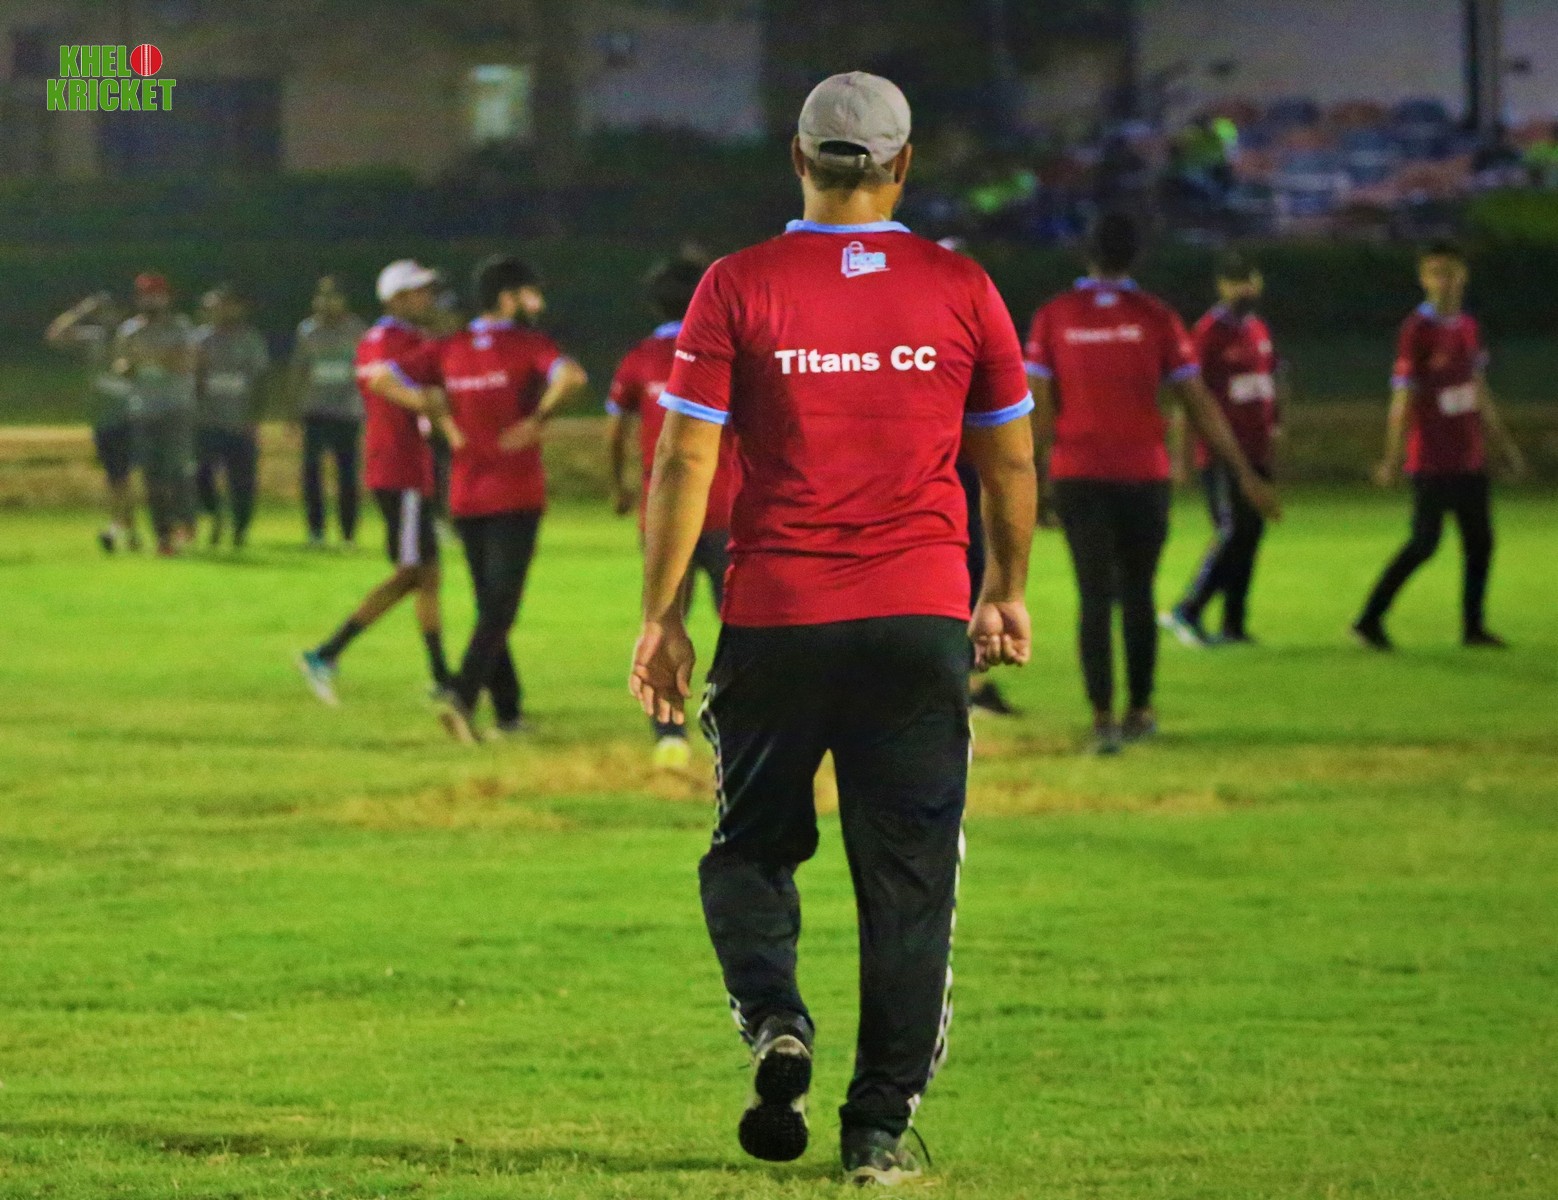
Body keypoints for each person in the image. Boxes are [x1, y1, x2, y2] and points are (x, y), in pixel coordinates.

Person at [629, 72, 1037, 1185]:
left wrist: (663, 615)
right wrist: (1004, 587)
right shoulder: (962, 287)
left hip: (777, 617)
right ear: (902, 165)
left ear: (798, 159)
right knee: (909, 881)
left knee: (752, 849)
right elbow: (1007, 459)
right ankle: (876, 1132)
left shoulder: (735, 285)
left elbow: (684, 458)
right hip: (916, 616)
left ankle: (777, 1023)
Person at [1025, 213, 1280, 754]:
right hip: (1143, 473)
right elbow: (1198, 402)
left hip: (1078, 473)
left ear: (1086, 254)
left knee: (1094, 596)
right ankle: (1139, 710)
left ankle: (1102, 719)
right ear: (1136, 257)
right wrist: (1244, 473)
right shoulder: (1156, 316)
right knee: (1138, 591)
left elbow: (1040, 410)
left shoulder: (1055, 316)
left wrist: (1034, 479)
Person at [377, 255, 587, 743]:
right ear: (509, 299)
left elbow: (381, 377)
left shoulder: (450, 346)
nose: (538, 303)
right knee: (500, 607)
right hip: (515, 492)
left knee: (490, 606)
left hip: (465, 495)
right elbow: (572, 378)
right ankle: (461, 695)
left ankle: (508, 714)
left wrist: (433, 410)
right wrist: (538, 420)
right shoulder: (529, 344)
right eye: (530, 293)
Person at [296, 260, 456, 705]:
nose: (428, 298)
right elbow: (385, 382)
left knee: (427, 576)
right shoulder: (382, 338)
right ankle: (325, 654)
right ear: (396, 298)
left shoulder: (413, 339)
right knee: (413, 574)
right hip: (398, 467)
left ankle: (442, 676)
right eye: (420, 291)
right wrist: (428, 402)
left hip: (412, 467)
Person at [1353, 241, 1526, 651]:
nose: (1443, 282)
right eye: (1435, 273)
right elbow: (1403, 398)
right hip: (1431, 459)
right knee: (1424, 543)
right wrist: (1393, 458)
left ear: (1463, 275)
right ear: (1423, 279)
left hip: (1469, 457)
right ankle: (1368, 619)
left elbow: (1477, 390)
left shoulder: (1467, 327)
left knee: (1480, 542)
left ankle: (1473, 628)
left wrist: (1502, 445)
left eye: (1449, 272)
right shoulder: (1417, 330)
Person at [607, 254, 741, 768]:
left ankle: (668, 733)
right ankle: (737, 728)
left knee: (664, 621)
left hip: (663, 517)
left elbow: (616, 428)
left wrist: (619, 485)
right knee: (741, 627)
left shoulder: (640, 357)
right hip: (727, 509)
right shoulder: (726, 351)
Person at [1162, 251, 1281, 646]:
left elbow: (1269, 383)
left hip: (1256, 450)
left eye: (1249, 280)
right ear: (1222, 286)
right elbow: (1188, 396)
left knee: (1251, 533)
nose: (1244, 288)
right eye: (1235, 282)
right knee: (1234, 530)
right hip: (1221, 453)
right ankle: (1188, 609)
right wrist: (1181, 457)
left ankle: (1234, 623)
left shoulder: (1258, 329)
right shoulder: (1208, 332)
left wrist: (1275, 430)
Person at [46, 291, 138, 552]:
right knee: (115, 476)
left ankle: (122, 528)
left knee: (126, 475)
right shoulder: (94, 337)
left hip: (132, 415)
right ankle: (126, 530)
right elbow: (55, 335)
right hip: (104, 417)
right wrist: (81, 310)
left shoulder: (134, 336)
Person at [113, 273, 198, 556]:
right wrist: (158, 357)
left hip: (176, 409)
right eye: (146, 295)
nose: (151, 300)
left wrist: (145, 358)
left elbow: (184, 362)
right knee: (152, 475)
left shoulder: (181, 327)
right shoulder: (129, 330)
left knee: (176, 469)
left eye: (156, 295)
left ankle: (186, 520)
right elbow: (122, 365)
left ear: (167, 298)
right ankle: (164, 536)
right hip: (143, 410)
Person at [292, 276, 368, 548]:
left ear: (343, 300)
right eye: (322, 297)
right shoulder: (307, 330)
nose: (326, 302)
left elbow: (366, 369)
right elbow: (300, 369)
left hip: (347, 412)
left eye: (332, 297)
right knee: (312, 473)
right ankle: (316, 531)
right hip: (315, 411)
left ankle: (348, 533)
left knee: (347, 474)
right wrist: (294, 406)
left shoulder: (357, 330)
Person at [193, 286, 271, 549]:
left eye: (227, 305)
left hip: (240, 422)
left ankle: (239, 529)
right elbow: (193, 378)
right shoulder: (200, 340)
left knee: (242, 481)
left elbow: (260, 381)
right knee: (201, 474)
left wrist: (254, 417)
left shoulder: (250, 340)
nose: (222, 311)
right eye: (216, 306)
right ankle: (214, 515)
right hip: (207, 421)